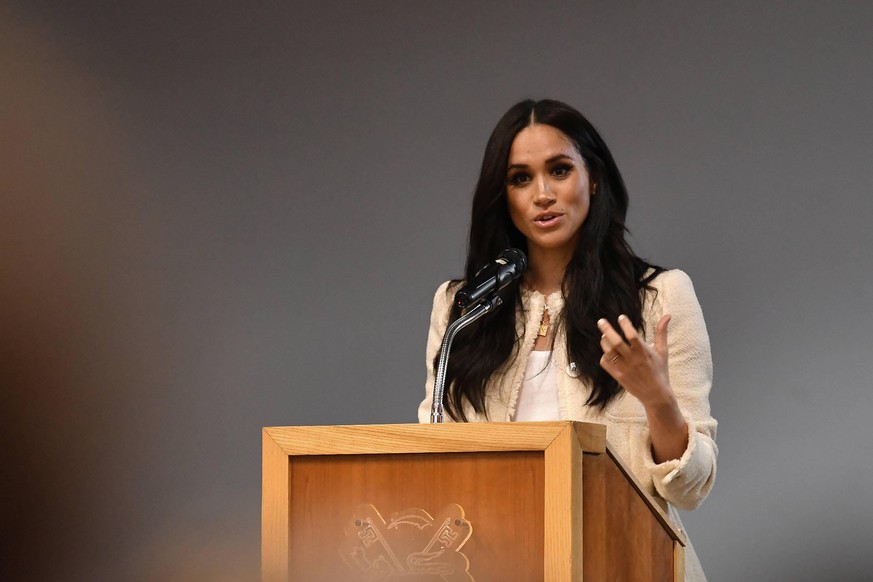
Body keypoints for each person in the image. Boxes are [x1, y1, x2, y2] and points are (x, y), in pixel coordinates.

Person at [418, 99, 717, 581]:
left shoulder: (660, 297)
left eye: (559, 170)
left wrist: (658, 399)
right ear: (503, 195)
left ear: (593, 178)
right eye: (520, 178)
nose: (542, 194)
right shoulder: (461, 307)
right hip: (500, 566)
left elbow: (691, 487)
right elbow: (434, 460)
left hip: (628, 562)